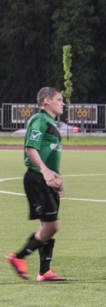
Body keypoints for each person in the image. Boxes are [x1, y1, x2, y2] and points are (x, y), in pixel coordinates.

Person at [5, 87, 67, 282]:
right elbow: (30, 149)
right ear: (47, 101)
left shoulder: (50, 122)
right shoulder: (39, 120)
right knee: (52, 226)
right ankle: (18, 257)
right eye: (59, 99)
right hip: (38, 179)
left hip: (48, 179)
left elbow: (50, 154)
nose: (63, 103)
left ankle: (44, 272)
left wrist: (58, 177)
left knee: (47, 226)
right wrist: (45, 171)